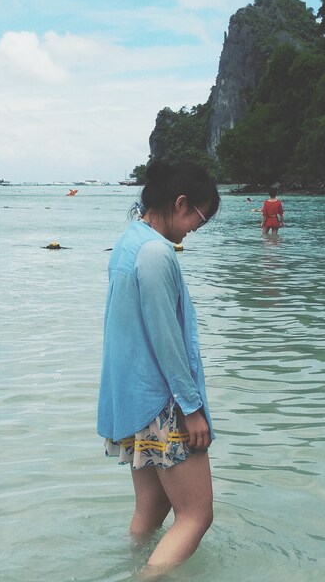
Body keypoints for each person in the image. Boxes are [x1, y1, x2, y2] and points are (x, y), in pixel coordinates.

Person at [97, 160, 220, 581]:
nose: (196, 229)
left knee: (151, 510)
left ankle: (128, 567)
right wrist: (192, 408)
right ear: (180, 203)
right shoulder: (155, 252)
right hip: (163, 404)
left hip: (133, 400)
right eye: (200, 218)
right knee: (196, 516)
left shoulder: (129, 241)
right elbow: (166, 338)